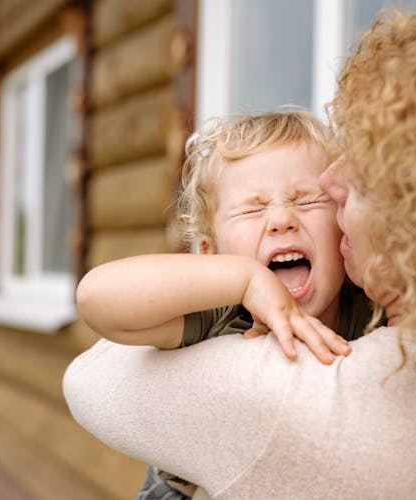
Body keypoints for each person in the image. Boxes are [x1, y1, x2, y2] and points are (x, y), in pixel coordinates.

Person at [64, 3, 416, 499]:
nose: (323, 195)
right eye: (254, 208)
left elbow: (90, 380)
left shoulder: (311, 406)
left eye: (359, 180)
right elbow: (100, 294)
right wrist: (236, 280)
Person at [74, 110, 382, 499]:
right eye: (253, 209)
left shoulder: (370, 310)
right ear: (211, 252)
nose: (282, 220)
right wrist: (245, 280)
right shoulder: (218, 313)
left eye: (307, 201)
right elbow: (95, 297)